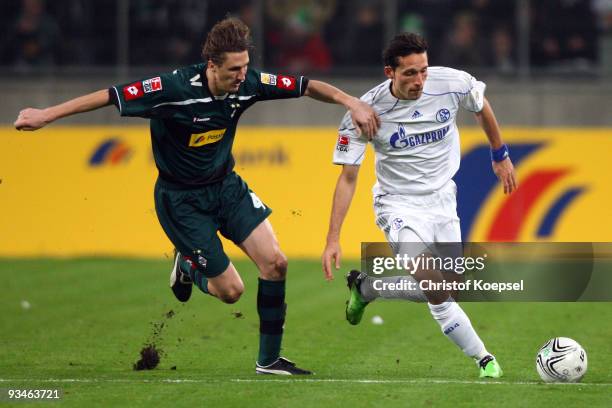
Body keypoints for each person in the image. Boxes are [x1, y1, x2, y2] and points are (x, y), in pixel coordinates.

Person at [14, 17, 379, 375]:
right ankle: (187, 265)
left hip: (226, 187)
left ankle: (268, 361)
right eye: (235, 69)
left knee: (276, 264)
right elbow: (110, 96)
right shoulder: (172, 88)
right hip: (181, 201)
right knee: (231, 291)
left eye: (246, 66)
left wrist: (352, 102)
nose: (242, 75)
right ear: (211, 65)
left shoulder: (248, 83)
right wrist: (47, 114)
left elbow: (306, 85)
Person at [321, 33, 516, 378]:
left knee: (449, 285)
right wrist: (332, 238)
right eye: (409, 73)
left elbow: (480, 105)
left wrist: (499, 155)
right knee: (434, 285)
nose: (419, 81)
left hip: (442, 200)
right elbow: (348, 178)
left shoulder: (452, 83)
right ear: (389, 73)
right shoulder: (366, 112)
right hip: (397, 206)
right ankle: (485, 360)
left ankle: (367, 288)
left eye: (423, 70)